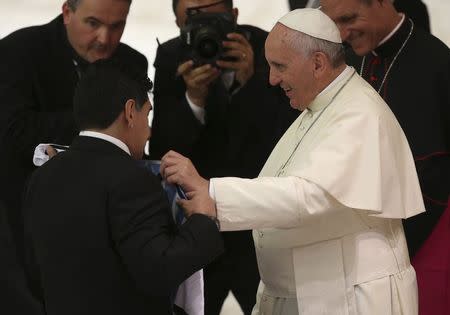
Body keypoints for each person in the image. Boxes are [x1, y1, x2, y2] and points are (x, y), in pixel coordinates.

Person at [160, 8, 426, 314]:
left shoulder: (358, 113)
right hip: (312, 289)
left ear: (317, 63)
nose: (272, 79)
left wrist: (214, 195)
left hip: (351, 297)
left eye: (279, 66)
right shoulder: (321, 105)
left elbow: (310, 195)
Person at [22, 60, 223, 315]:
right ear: (130, 111)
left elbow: (32, 270)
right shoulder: (133, 179)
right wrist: (204, 217)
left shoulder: (43, 174)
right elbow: (160, 271)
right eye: (147, 114)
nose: (149, 131)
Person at [149, 0, 298, 314]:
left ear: (234, 16)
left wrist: (252, 82)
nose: (203, 32)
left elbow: (290, 135)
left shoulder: (267, 49)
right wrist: (193, 101)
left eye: (212, 20)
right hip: (199, 225)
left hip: (261, 223)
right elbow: (163, 149)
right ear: (177, 23)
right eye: (191, 23)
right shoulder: (172, 56)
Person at [0, 0, 147, 267]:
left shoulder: (132, 63)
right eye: (93, 23)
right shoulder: (16, 51)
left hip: (108, 231)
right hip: (29, 228)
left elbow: (133, 145)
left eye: (117, 26)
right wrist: (99, 122)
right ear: (67, 12)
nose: (104, 38)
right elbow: (12, 131)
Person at [320, 0, 450, 259]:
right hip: (363, 235)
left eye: (349, 19)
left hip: (428, 238)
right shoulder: (351, 58)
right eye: (334, 23)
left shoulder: (437, 63)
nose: (342, 35)